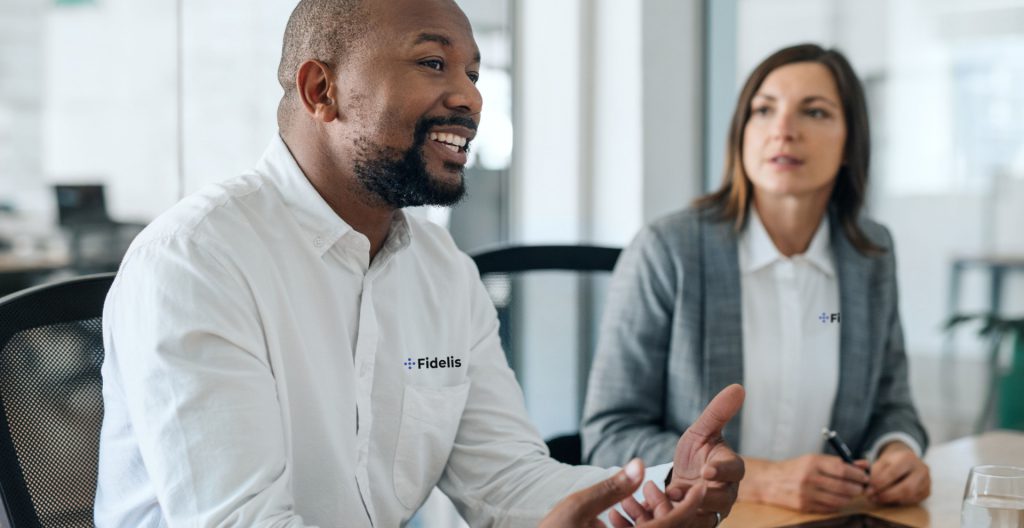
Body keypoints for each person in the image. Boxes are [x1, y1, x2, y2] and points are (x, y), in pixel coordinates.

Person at [93, 0, 745, 526]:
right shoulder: (198, 261)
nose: (469, 98)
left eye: (473, 73)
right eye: (433, 63)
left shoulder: (441, 269)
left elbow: (507, 480)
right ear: (323, 89)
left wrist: (663, 487)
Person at [581, 43, 931, 514]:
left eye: (814, 112)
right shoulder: (669, 249)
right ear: (741, 132)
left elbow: (893, 404)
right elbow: (609, 433)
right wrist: (760, 477)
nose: (783, 130)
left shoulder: (871, 253)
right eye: (764, 110)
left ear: (851, 142)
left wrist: (898, 450)